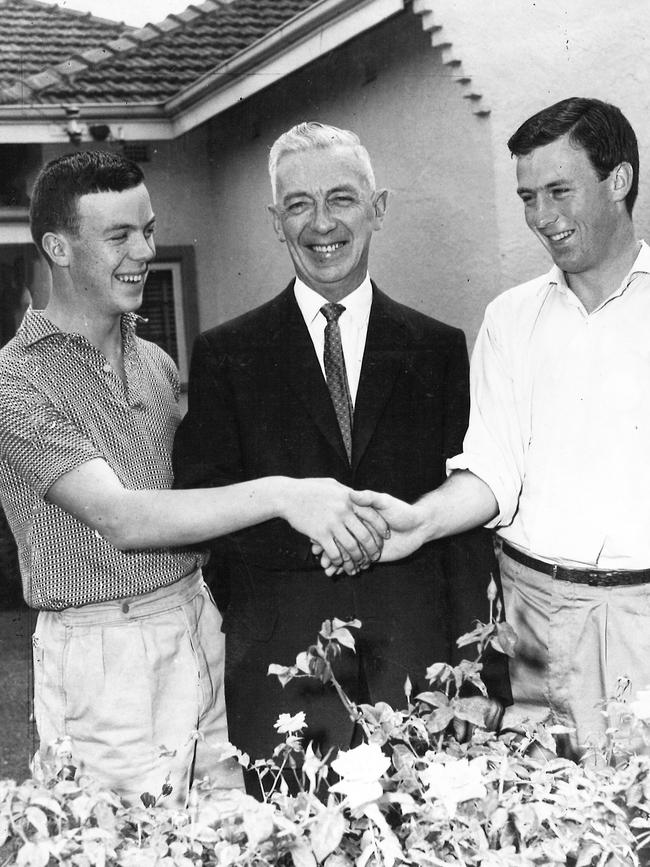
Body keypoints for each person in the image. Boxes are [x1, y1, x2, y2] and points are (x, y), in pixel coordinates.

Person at [0, 150, 388, 806]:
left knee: (230, 834)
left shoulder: (153, 359)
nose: (144, 251)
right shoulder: (17, 379)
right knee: (122, 844)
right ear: (57, 248)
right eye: (119, 236)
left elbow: (205, 496)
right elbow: (124, 518)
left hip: (198, 624)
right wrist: (286, 493)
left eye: (148, 230)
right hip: (104, 654)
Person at [172, 121, 510, 790]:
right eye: (298, 204)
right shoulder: (226, 355)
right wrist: (325, 543)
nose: (320, 223)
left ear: (377, 208)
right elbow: (209, 514)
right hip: (285, 675)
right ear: (275, 220)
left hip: (420, 671)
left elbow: (465, 529)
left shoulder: (437, 348)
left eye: (341, 199)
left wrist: (478, 676)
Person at [340, 97, 650, 758]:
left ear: (618, 181)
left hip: (645, 615)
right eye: (528, 197)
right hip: (539, 614)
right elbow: (494, 469)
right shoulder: (511, 318)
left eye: (559, 192)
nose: (542, 218)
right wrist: (418, 520)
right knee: (559, 806)